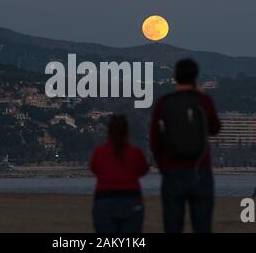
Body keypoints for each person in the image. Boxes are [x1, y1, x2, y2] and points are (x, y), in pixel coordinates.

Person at [150, 59, 221, 233]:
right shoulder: (203, 100)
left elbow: (154, 141)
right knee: (202, 226)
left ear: (175, 77)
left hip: (172, 171)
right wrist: (201, 95)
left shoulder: (163, 103)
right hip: (200, 170)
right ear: (196, 77)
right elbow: (215, 128)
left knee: (173, 226)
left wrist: (164, 167)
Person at [90, 115, 149, 233]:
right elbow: (144, 170)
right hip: (131, 200)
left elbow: (94, 169)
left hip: (104, 200)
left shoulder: (99, 153)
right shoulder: (136, 153)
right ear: (126, 132)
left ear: (109, 131)